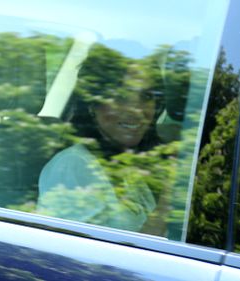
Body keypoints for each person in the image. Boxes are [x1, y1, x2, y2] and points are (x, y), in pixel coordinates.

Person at [36, 44, 168, 234]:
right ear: (92, 104)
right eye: (121, 96)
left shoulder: (125, 165)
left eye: (146, 96)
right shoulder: (72, 167)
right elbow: (89, 259)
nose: (136, 110)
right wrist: (167, 206)